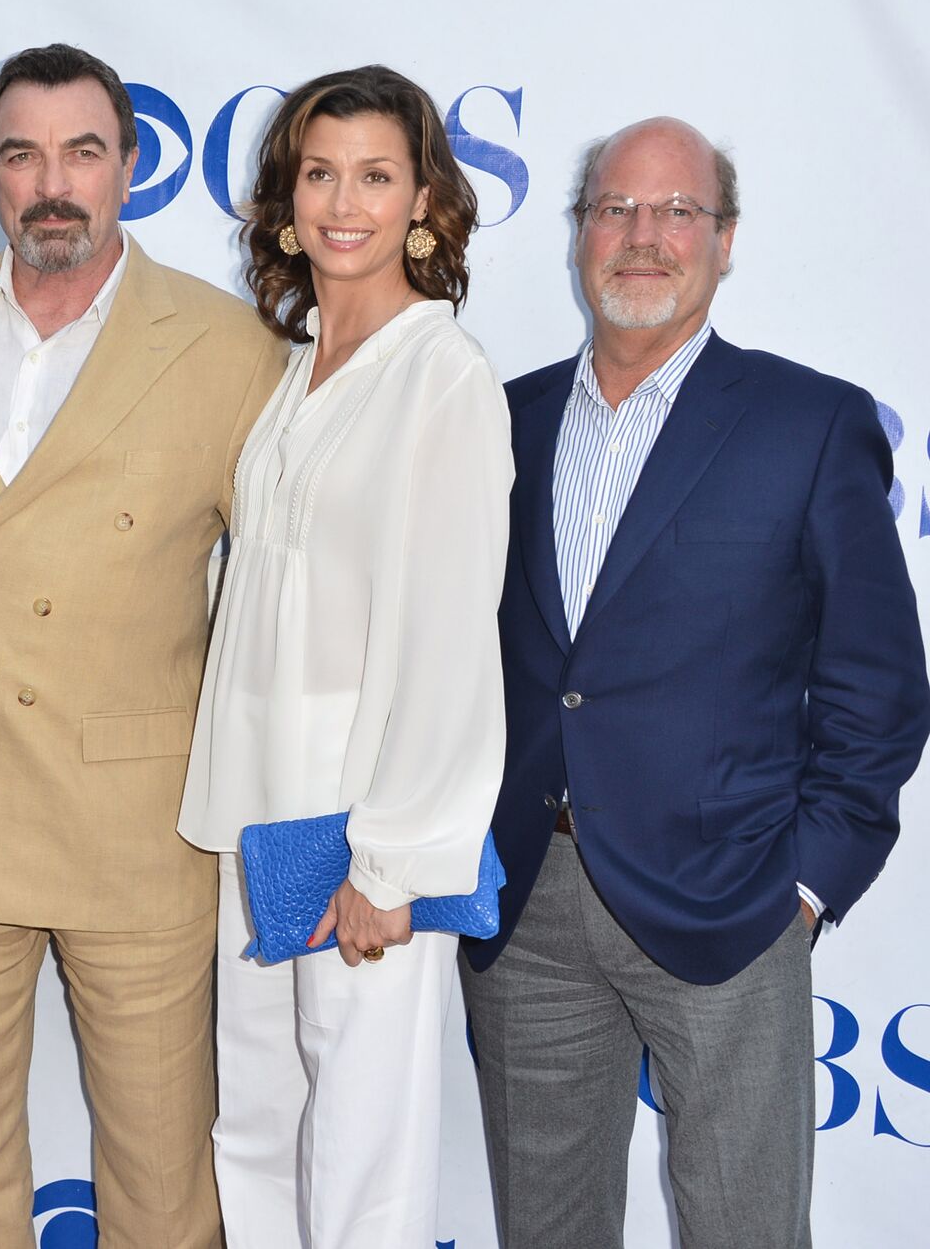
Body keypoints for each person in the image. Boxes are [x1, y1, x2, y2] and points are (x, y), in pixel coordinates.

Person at [460, 117, 930, 1249]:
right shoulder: (495, 418)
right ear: (577, 236)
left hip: (732, 898)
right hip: (525, 904)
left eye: (677, 212)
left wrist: (807, 885)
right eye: (614, 208)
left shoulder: (807, 423)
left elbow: (878, 682)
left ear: (724, 242)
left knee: (743, 1230)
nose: (642, 235)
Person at [0, 42, 287, 1249]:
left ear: (131, 166)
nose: (52, 182)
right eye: (21, 153)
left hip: (135, 814)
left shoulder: (228, 348)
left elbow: (280, 597)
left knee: (161, 1179)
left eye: (82, 151)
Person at [175, 64, 510, 1247]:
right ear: (283, 199)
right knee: (256, 1133)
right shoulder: (290, 370)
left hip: (359, 833)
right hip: (252, 820)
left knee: (363, 1158)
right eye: (318, 173)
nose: (343, 202)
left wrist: (394, 860)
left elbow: (447, 636)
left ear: (423, 198)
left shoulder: (442, 375)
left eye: (374, 174)